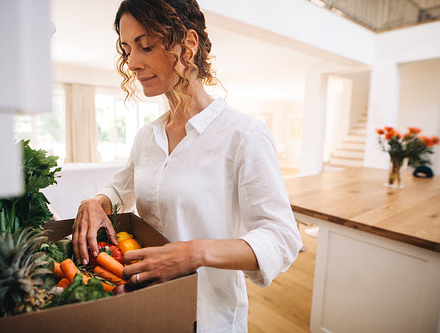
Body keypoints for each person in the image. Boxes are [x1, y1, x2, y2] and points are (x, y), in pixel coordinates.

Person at [72, 0, 302, 331]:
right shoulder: (147, 136)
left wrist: (194, 253)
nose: (133, 63)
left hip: (207, 316)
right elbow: (119, 190)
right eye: (126, 50)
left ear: (188, 45)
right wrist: (96, 202)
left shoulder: (243, 135)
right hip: (146, 305)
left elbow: (282, 238)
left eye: (146, 46)